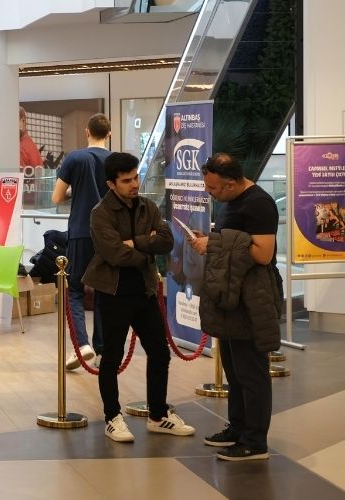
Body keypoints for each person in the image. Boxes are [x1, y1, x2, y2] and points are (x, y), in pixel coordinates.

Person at [82, 152, 193, 443]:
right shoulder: (100, 213)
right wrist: (146, 246)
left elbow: (167, 241)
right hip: (114, 293)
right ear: (111, 183)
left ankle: (158, 415)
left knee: (159, 352)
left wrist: (135, 242)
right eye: (126, 180)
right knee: (111, 358)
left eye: (136, 177)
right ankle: (112, 417)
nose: (134, 184)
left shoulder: (148, 206)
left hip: (144, 291)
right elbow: (114, 254)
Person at [191, 153, 280, 462]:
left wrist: (213, 244)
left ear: (230, 184)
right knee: (234, 368)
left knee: (251, 371)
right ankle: (239, 427)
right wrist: (211, 240)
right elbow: (236, 240)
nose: (210, 193)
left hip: (250, 298)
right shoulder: (232, 201)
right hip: (230, 294)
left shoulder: (258, 204)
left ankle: (255, 442)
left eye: (214, 189)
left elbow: (263, 253)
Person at [52, 113, 112, 370]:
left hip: (80, 231)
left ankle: (82, 345)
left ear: (87, 132)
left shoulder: (75, 158)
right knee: (103, 292)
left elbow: (56, 197)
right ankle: (102, 349)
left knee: (74, 290)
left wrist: (76, 190)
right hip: (108, 235)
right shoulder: (115, 161)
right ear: (108, 134)